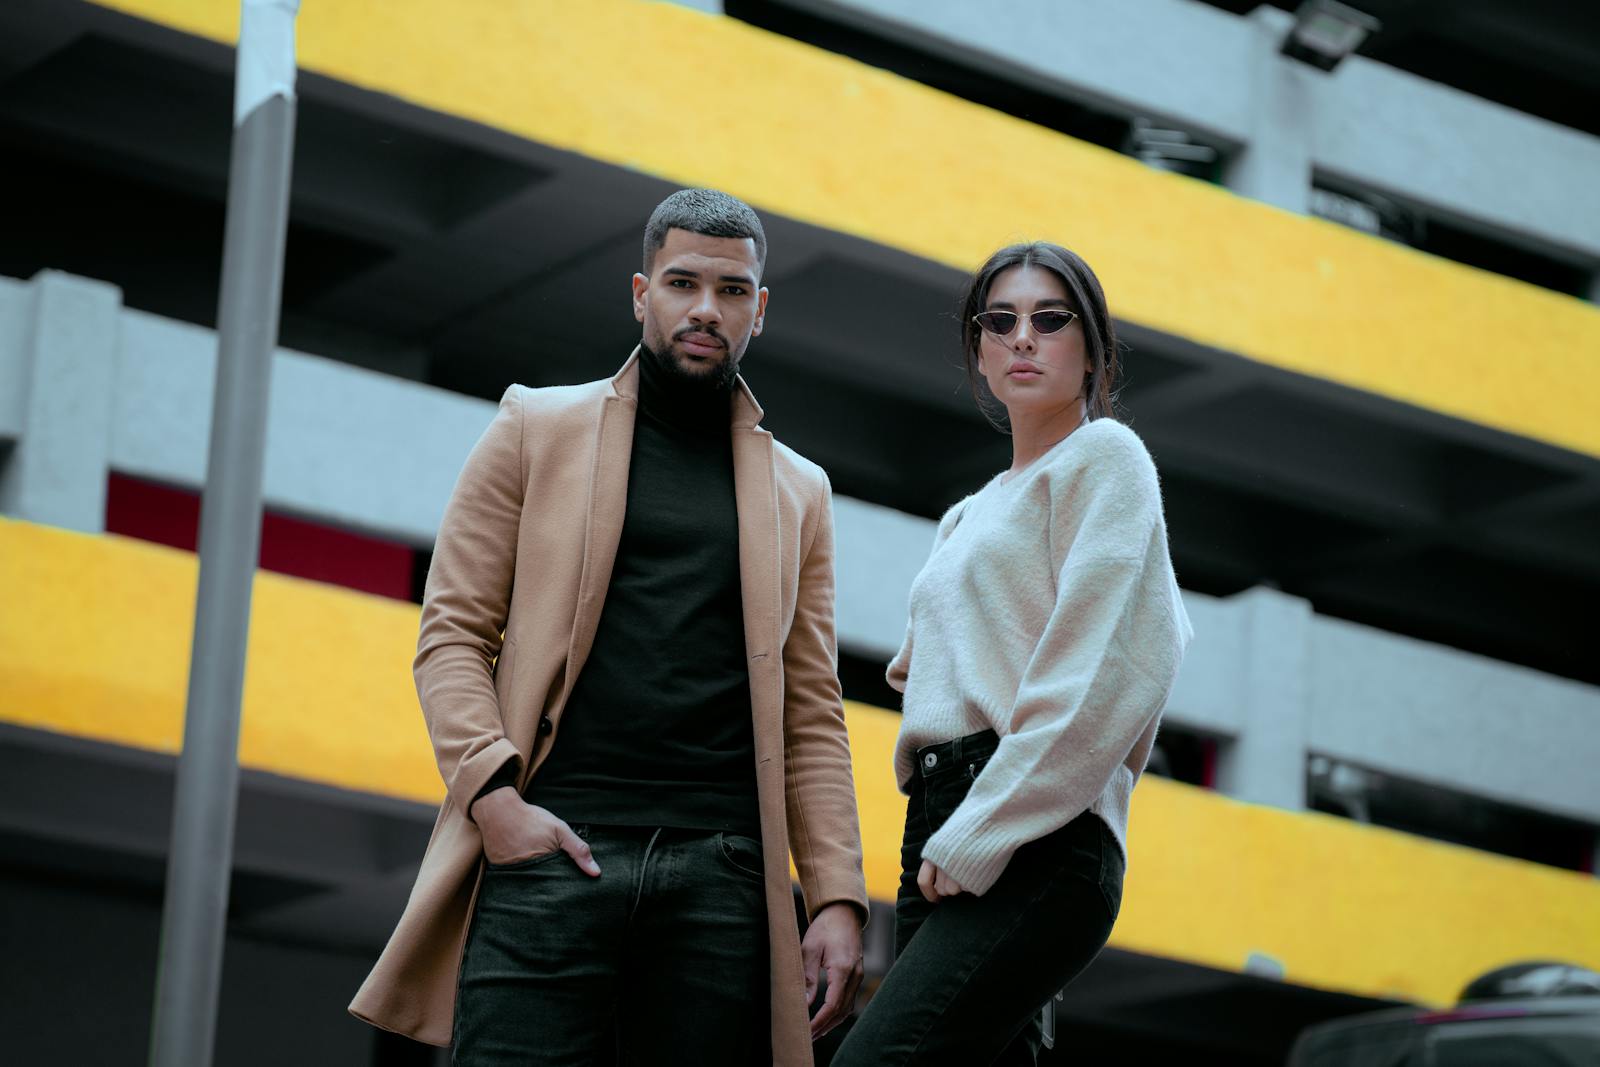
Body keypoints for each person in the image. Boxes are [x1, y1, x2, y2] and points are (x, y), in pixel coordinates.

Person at [350, 188, 868, 1066]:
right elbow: (452, 635)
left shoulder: (800, 490)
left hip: (723, 877)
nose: (707, 308)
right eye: (682, 282)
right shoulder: (533, 427)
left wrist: (837, 896)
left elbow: (812, 708)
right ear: (641, 293)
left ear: (760, 310)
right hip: (553, 852)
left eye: (733, 290)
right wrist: (497, 803)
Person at [832, 241, 1192, 1065]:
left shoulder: (1107, 459)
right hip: (942, 813)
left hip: (1035, 830)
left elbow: (1112, 668)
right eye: (1000, 321)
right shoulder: (969, 512)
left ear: (1092, 346)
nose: (1023, 337)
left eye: (1049, 318)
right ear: (980, 352)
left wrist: (986, 824)